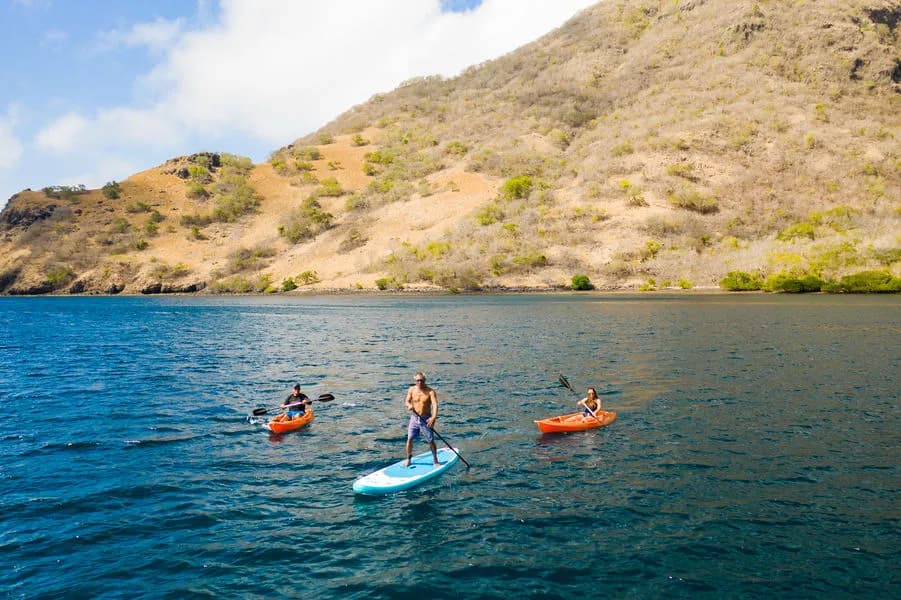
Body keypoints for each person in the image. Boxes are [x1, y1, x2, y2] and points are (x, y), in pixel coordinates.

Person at [404, 372, 439, 467]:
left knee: (430, 440)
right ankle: (408, 458)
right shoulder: (411, 390)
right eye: (418, 380)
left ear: (425, 380)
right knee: (410, 438)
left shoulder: (430, 391)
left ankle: (435, 460)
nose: (420, 382)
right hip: (414, 418)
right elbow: (406, 401)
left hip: (426, 419)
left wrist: (433, 417)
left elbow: (435, 404)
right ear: (415, 380)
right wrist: (409, 405)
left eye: (422, 380)